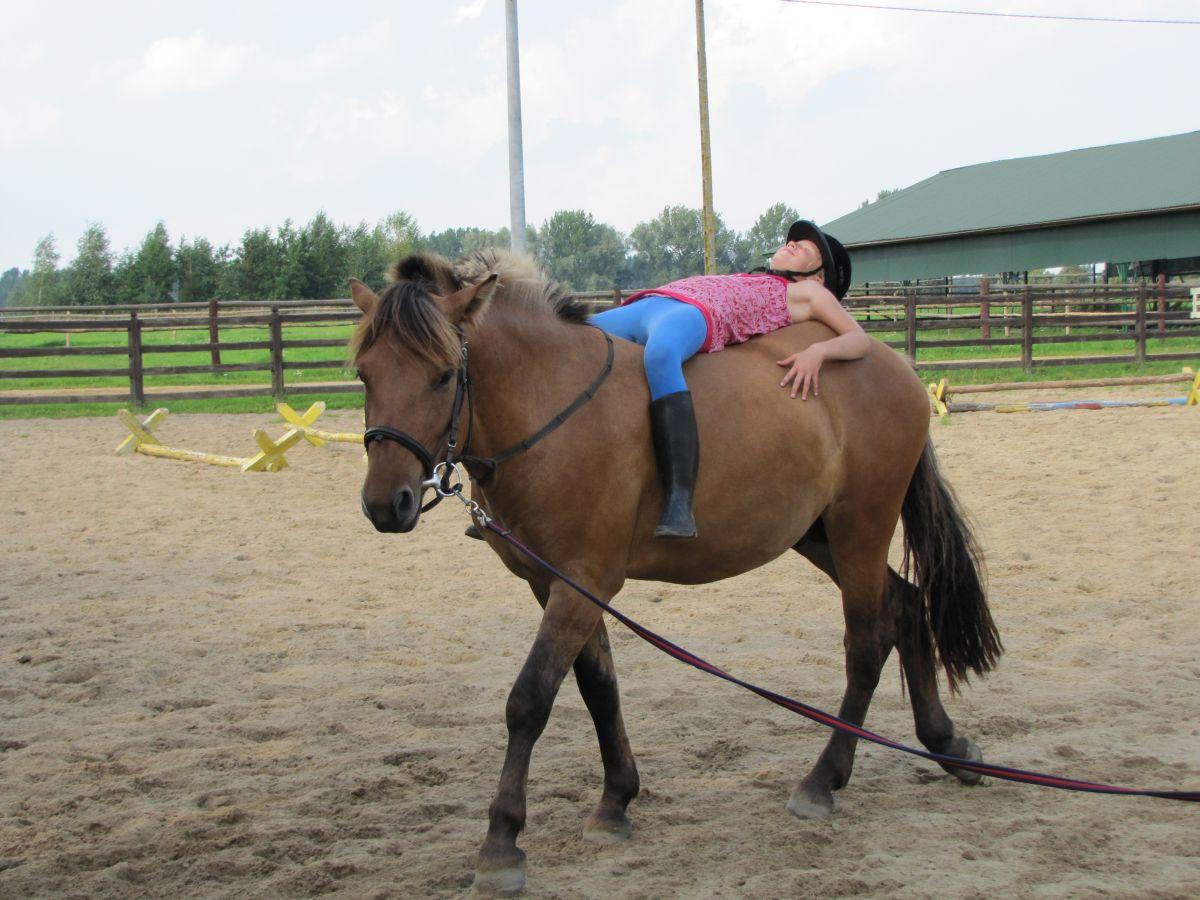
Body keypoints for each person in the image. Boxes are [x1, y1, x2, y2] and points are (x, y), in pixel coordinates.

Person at [590, 219, 868, 539]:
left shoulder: (806, 292)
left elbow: (857, 338)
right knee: (573, 334)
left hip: (698, 315)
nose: (791, 244)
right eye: (792, 241)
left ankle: (679, 499)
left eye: (805, 248)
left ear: (818, 277)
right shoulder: (749, 276)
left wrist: (818, 352)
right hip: (652, 303)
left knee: (661, 355)